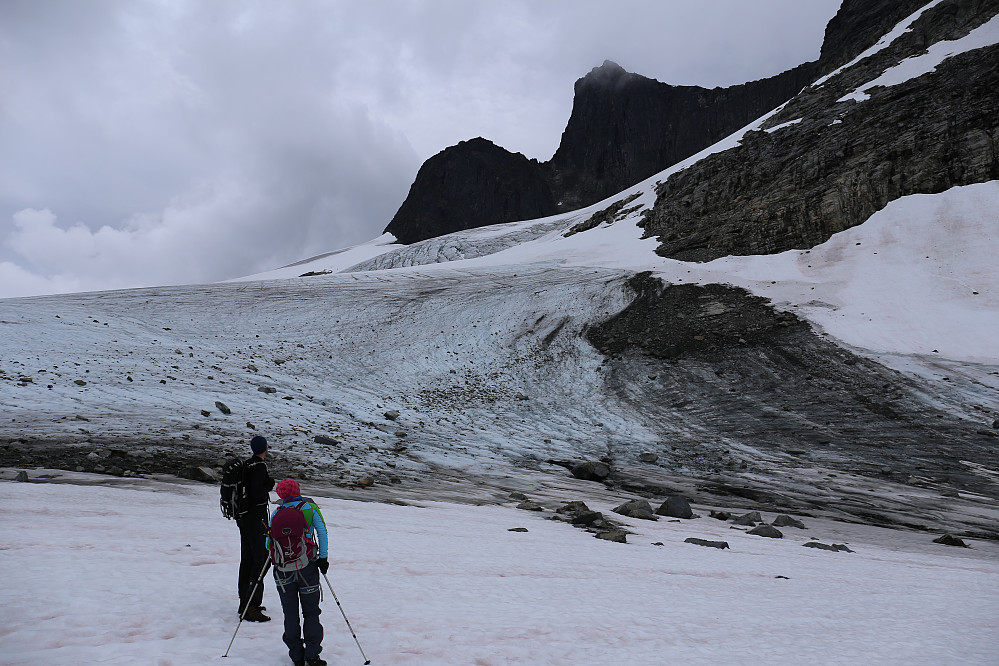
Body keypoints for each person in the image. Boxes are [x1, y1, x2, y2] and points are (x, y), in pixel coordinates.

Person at [269, 478, 330, 666]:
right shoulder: (310, 508)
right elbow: (322, 532)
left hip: (282, 570)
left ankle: (296, 655)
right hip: (307, 567)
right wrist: (323, 558)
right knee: (311, 612)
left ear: (280, 494)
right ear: (298, 490)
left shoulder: (276, 513)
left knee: (290, 613)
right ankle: (312, 655)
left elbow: (268, 542)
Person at [237, 435, 275, 622]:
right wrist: (270, 483)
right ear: (263, 448)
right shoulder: (259, 466)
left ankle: (244, 601)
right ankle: (251, 606)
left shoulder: (246, 465)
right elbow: (257, 492)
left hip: (243, 518)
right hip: (256, 517)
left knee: (247, 558)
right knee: (260, 559)